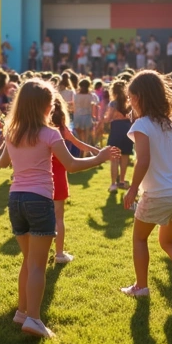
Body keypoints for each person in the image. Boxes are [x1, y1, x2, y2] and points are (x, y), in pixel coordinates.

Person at [0, 81, 115, 338]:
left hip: (15, 199)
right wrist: (100, 158)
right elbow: (71, 165)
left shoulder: (13, 131)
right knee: (38, 264)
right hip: (39, 200)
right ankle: (34, 319)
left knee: (28, 261)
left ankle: (21, 311)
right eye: (51, 101)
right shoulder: (50, 134)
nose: (53, 105)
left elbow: (2, 162)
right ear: (44, 106)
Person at [120, 72, 172, 304]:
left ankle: (141, 287)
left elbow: (143, 160)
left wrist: (132, 188)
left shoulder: (142, 125)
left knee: (139, 238)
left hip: (158, 193)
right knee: (167, 241)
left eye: (130, 97)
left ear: (139, 98)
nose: (129, 102)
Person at [48, 94, 100, 264]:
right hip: (59, 178)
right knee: (59, 218)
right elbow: (79, 144)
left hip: (42, 178)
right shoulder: (62, 131)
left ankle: (43, 250)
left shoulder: (42, 132)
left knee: (44, 216)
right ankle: (59, 253)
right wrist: (96, 151)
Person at [104, 80, 134, 192]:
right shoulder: (129, 103)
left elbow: (108, 118)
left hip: (116, 129)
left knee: (114, 158)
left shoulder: (113, 103)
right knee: (125, 156)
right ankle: (122, 180)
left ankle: (113, 184)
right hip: (127, 129)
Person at [72, 78, 97, 145]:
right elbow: (93, 107)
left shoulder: (76, 95)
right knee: (87, 138)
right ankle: (85, 152)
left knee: (79, 138)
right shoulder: (91, 96)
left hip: (77, 117)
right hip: (87, 117)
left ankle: (81, 152)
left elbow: (74, 107)